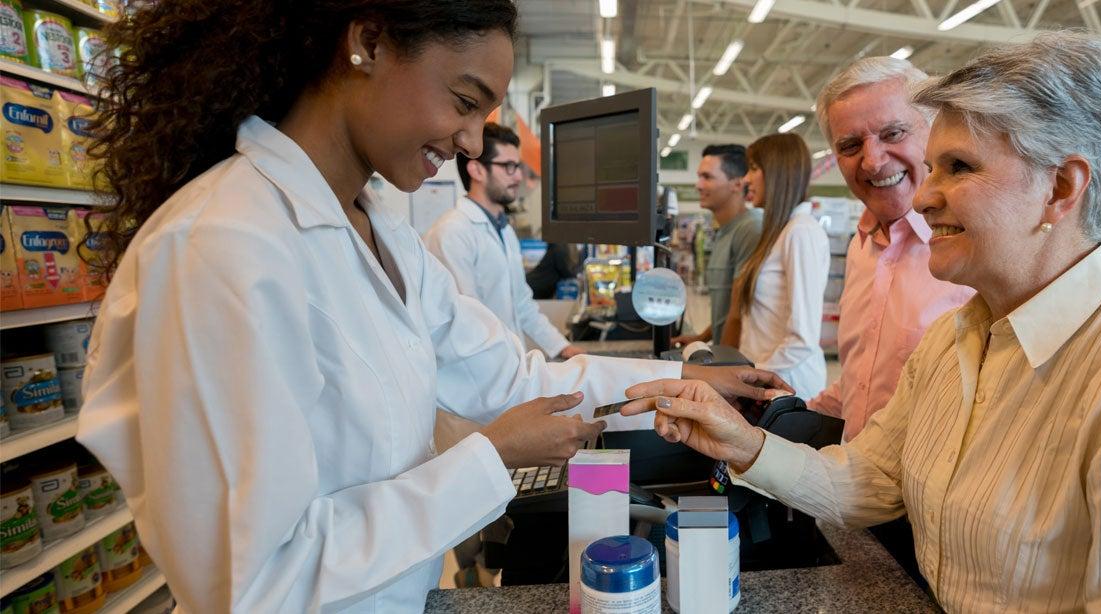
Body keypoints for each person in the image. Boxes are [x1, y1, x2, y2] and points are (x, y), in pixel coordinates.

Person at [74, 2, 786, 611]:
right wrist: (490, 458)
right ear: (369, 42)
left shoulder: (383, 229)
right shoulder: (222, 247)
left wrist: (685, 379)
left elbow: (507, 373)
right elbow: (254, 583)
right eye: (465, 101)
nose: (472, 142)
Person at [622, 32, 1101, 611]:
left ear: (1061, 187)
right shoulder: (958, 340)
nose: (928, 192)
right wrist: (739, 443)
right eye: (935, 164)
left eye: (960, 168)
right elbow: (871, 480)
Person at [807, 57, 974, 443]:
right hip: (854, 487)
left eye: (893, 133)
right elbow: (860, 385)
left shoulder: (973, 248)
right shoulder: (861, 247)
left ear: (934, 132)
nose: (873, 160)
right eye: (850, 145)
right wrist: (780, 417)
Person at [425, 122, 584, 359]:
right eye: (508, 166)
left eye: (518, 166)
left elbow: (522, 303)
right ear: (477, 170)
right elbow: (468, 322)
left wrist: (564, 348)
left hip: (507, 366)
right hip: (477, 377)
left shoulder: (503, 229)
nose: (519, 176)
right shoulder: (452, 232)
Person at [720, 133, 830, 399]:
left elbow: (801, 339)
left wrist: (751, 377)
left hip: (788, 387)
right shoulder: (780, 232)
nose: (746, 179)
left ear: (778, 172)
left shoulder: (801, 232)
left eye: (754, 169)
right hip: (769, 383)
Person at [670, 144, 762, 347]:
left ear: (737, 184)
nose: (698, 185)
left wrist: (725, 366)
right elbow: (725, 308)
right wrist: (701, 338)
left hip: (743, 365)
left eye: (707, 177)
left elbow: (739, 312)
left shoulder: (750, 230)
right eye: (699, 177)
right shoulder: (725, 231)